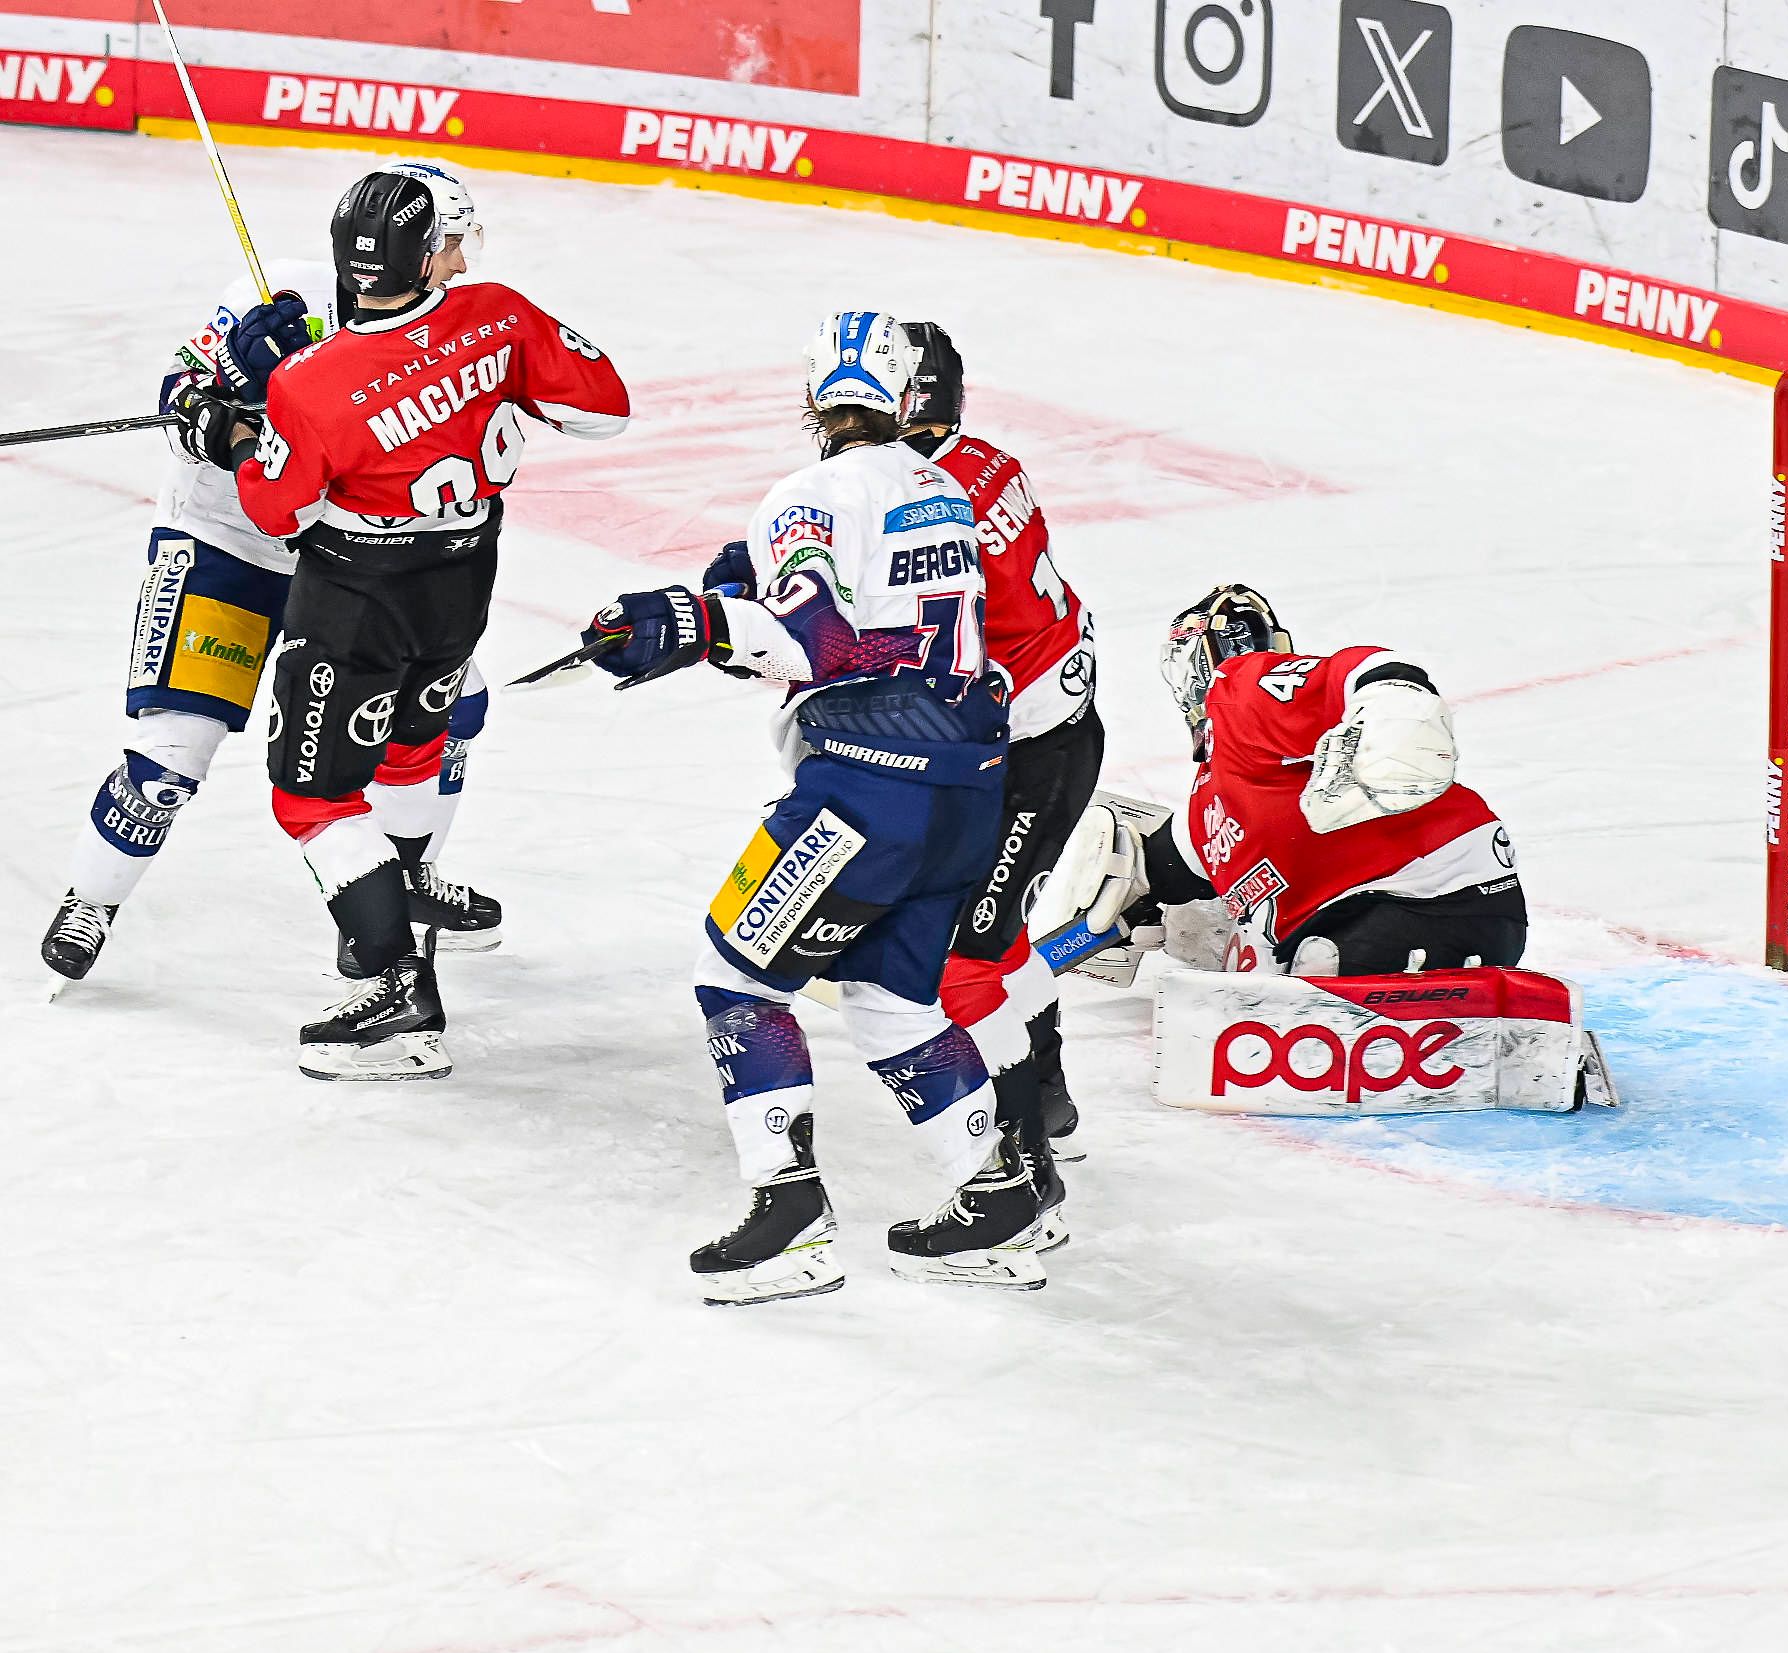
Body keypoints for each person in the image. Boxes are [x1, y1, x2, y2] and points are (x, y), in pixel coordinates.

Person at [588, 311, 1052, 1306]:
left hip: (865, 788)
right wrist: (734, 600)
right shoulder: (944, 491)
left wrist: (689, 622)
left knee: (737, 977)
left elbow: (820, 644)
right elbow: (887, 632)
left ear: (813, 398)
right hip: (970, 789)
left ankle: (788, 1212)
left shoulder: (809, 491)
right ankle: (992, 1197)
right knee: (891, 1005)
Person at [178, 166, 630, 1079]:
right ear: (423, 261)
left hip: (356, 602)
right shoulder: (497, 314)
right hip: (460, 584)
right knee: (413, 751)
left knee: (309, 797)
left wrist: (228, 426)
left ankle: (396, 987)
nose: (464, 256)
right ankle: (406, 894)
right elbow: (602, 410)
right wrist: (477, 386)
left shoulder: (312, 382)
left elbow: (278, 511)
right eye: (451, 244)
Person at [40, 160, 499, 990]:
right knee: (171, 758)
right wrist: (231, 406)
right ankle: (92, 899)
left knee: (453, 701)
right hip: (227, 543)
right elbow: (180, 397)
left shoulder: (447, 339)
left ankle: (392, 894)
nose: (464, 263)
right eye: (453, 244)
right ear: (409, 247)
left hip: (344, 559)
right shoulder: (278, 293)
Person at [708, 321, 1101, 1173]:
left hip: (1014, 751)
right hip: (1036, 730)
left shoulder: (907, 489)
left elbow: (852, 639)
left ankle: (1018, 1158)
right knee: (990, 940)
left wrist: (739, 606)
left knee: (960, 965)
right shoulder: (979, 464)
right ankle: (1048, 1089)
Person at [1047, 585, 1527, 978]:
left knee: (1313, 971)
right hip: (1407, 920)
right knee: (1275, 964)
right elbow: (1160, 871)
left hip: (1437, 896)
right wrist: (1126, 921)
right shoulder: (1205, 810)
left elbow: (1363, 669)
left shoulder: (1241, 689)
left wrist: (1394, 704)